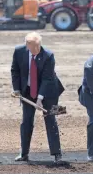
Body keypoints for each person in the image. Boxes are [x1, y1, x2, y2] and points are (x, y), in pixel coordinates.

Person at [11, 32, 64, 163]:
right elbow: (15, 70)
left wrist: (40, 99)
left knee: (51, 118)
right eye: (33, 47)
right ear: (27, 45)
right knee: (26, 121)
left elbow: (47, 78)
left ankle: (57, 154)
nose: (36, 50)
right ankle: (24, 153)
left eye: (38, 46)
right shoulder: (19, 52)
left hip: (50, 91)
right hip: (28, 91)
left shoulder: (49, 55)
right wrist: (17, 89)